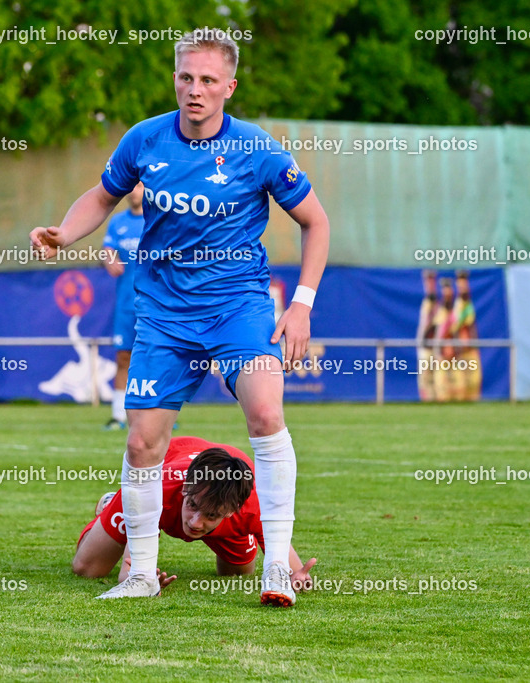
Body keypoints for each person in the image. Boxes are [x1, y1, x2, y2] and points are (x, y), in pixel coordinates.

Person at [31, 29, 330, 605]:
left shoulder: (258, 149)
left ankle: (274, 568)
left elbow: (315, 221)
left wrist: (301, 304)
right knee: (143, 443)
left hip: (237, 307)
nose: (195, 90)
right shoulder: (145, 140)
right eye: (186, 77)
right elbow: (102, 194)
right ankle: (140, 574)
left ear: (229, 87)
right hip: (165, 315)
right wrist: (63, 233)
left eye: (208, 81)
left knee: (267, 412)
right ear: (175, 78)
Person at [72, 436, 317, 602]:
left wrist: (296, 578)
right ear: (185, 488)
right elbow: (123, 575)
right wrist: (139, 574)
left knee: (238, 573)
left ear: (233, 510)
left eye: (211, 515)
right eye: (192, 506)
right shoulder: (158, 488)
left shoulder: (255, 506)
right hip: (169, 468)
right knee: (87, 569)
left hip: (228, 491)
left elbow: (294, 570)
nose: (195, 523)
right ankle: (110, 505)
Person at [101, 183, 145, 430]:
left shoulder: (156, 219)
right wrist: (109, 259)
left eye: (138, 185)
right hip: (126, 304)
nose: (133, 191)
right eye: (131, 186)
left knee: (155, 358)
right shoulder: (117, 222)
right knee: (123, 358)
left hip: (154, 304)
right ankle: (119, 415)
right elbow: (107, 251)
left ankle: (157, 414)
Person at [451, 271, 481, 401]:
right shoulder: (459, 305)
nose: (464, 287)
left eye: (465, 284)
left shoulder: (468, 304)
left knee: (474, 380)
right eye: (461, 285)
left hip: (470, 348)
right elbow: (456, 327)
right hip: (461, 349)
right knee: (461, 382)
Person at [415, 270, 438, 402]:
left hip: (434, 346)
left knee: (435, 377)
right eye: (427, 281)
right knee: (424, 377)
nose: (429, 285)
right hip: (425, 347)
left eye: (431, 281)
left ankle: (435, 400)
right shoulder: (427, 304)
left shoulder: (437, 305)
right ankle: (427, 400)